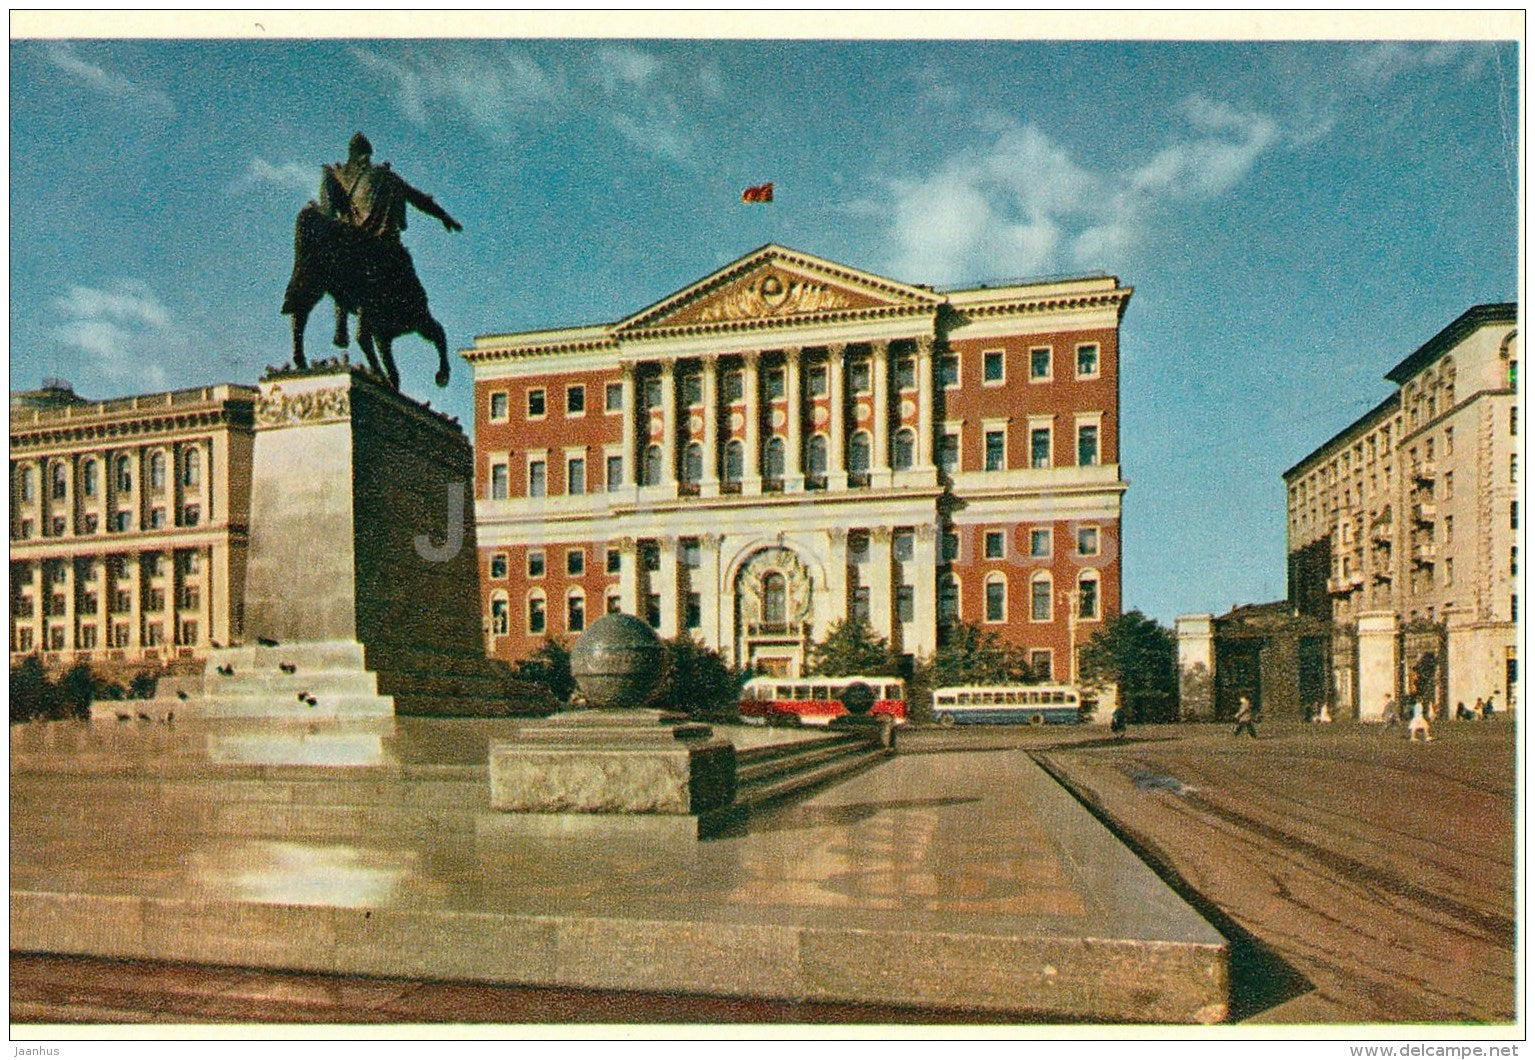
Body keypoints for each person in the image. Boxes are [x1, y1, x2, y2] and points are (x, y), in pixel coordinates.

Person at [314, 132, 462, 350]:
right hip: (384, 245)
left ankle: (341, 322)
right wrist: (443, 216)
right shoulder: (385, 177)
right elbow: (418, 198)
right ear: (365, 155)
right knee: (411, 285)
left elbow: (327, 211)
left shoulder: (335, 175)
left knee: (340, 264)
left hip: (352, 244)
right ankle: (415, 312)